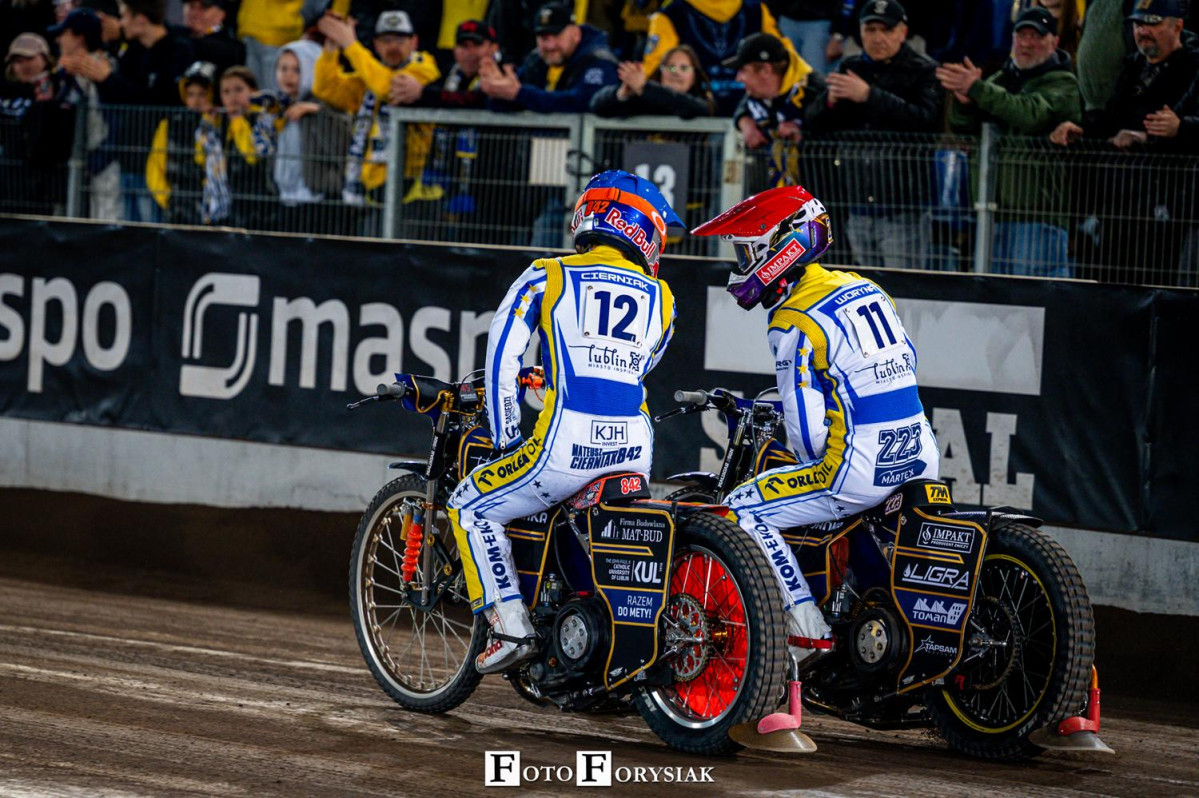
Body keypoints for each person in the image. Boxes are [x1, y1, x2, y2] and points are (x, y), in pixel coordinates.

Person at [448, 169, 682, 674]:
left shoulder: (547, 274)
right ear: (644, 233)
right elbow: (637, 365)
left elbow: (501, 359)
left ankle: (511, 626)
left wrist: (506, 437)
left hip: (565, 447)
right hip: (634, 448)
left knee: (469, 505)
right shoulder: (662, 297)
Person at [691, 185, 939, 657]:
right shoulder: (863, 286)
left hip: (860, 468)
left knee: (743, 506)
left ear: (779, 249)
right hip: (921, 452)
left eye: (746, 252)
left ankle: (808, 631)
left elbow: (807, 436)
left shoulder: (792, 319)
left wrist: (805, 461)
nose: (741, 265)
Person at [940, 6, 1081, 277]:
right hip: (990, 213)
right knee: (996, 298)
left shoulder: (1063, 83)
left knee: (1035, 295)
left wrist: (977, 89)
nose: (1027, 43)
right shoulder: (999, 80)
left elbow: (1029, 114)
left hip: (1037, 217)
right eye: (1021, 35)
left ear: (1054, 42)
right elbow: (963, 128)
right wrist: (964, 103)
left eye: (1036, 36)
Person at [805, 0, 942, 270]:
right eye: (870, 29)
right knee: (865, 285)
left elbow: (927, 123)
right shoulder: (850, 67)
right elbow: (813, 125)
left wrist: (869, 95)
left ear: (903, 32)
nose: (878, 38)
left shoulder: (924, 70)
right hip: (856, 204)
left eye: (886, 30)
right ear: (860, 32)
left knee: (901, 286)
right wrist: (828, 102)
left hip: (904, 207)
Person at [313, 9, 440, 219]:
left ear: (414, 42)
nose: (393, 47)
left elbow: (388, 88)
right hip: (372, 185)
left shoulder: (423, 67)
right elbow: (325, 88)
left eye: (400, 40)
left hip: (413, 189)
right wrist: (332, 46)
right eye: (386, 40)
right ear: (376, 44)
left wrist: (350, 44)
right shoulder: (370, 74)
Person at [642, 0, 800, 115]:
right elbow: (789, 65)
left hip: (694, 117)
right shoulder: (757, 11)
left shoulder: (670, 13)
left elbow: (652, 70)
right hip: (749, 113)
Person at [480, 1, 619, 114]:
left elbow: (583, 102)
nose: (550, 46)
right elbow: (513, 96)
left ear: (575, 34)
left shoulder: (598, 60)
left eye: (557, 36)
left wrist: (520, 94)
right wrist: (496, 91)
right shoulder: (536, 60)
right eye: (543, 38)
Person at [271, 39, 351, 234]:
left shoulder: (327, 104)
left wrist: (318, 112)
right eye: (283, 68)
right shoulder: (275, 107)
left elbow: (342, 149)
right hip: (285, 201)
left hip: (320, 202)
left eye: (297, 70)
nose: (288, 76)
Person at [50, 7, 122, 219]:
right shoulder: (66, 72)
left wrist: (102, 155)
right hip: (77, 157)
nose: (58, 40)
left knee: (105, 219)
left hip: (104, 158)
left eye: (64, 34)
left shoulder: (105, 66)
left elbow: (116, 116)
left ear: (79, 37)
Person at [728, 32, 823, 188]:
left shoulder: (814, 91)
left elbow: (835, 130)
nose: (738, 78)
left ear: (766, 70)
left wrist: (803, 134)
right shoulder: (758, 92)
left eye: (743, 70)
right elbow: (744, 105)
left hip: (818, 192)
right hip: (776, 191)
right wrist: (745, 123)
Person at [194, 65, 280, 228]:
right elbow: (201, 158)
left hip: (259, 202)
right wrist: (208, 124)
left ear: (253, 91)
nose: (232, 97)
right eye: (226, 92)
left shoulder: (262, 118)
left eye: (238, 90)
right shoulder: (220, 122)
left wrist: (238, 120)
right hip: (232, 202)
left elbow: (252, 156)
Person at [146, 60, 214, 224]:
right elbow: (155, 165)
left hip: (211, 207)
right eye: (191, 94)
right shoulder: (168, 125)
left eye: (202, 94)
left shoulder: (218, 125)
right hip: (176, 206)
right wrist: (167, 198)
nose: (196, 101)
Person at [590, 44, 716, 118]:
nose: (676, 72)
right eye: (670, 67)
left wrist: (644, 87)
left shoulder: (703, 103)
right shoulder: (643, 101)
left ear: (694, 77)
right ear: (660, 73)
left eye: (684, 68)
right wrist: (622, 93)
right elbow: (597, 106)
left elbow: (684, 104)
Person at [181, 0, 246, 78]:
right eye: (191, 6)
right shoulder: (178, 36)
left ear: (220, 14)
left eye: (204, 8)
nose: (195, 13)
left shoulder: (231, 48)